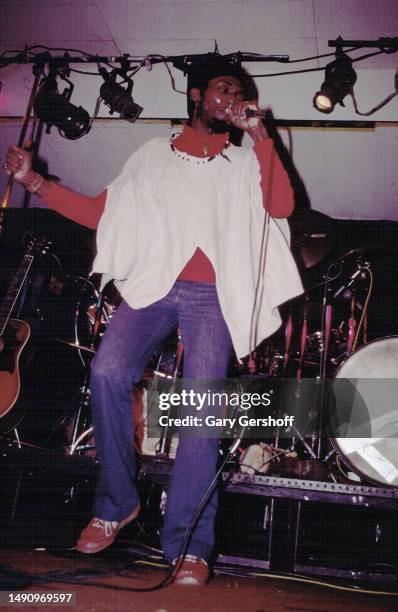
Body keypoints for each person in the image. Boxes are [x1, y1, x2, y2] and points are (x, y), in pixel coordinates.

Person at [4, 57, 303, 585]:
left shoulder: (246, 160)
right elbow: (102, 212)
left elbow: (280, 204)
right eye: (222, 87)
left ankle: (189, 541)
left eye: (240, 91)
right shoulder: (151, 156)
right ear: (195, 96)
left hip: (211, 294)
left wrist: (261, 135)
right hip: (154, 286)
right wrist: (36, 181)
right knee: (107, 372)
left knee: (201, 407)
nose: (232, 96)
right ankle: (117, 503)